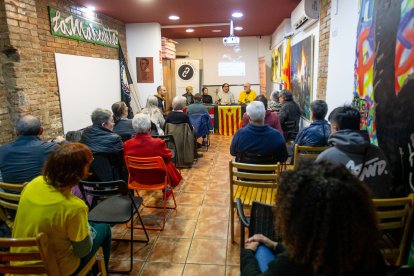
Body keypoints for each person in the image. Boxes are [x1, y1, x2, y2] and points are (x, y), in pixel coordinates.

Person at [241, 161, 386, 276]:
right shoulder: (371, 256)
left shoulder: (293, 264)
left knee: (259, 250)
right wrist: (274, 244)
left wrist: (247, 253)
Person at [12, 143, 112, 275]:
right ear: (79, 171)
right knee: (104, 229)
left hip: (19, 266)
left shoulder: (34, 183)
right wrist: (89, 233)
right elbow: (82, 251)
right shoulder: (75, 207)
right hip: (55, 270)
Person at [316, 106, 392, 198]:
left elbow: (316, 192)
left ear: (335, 129)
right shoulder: (378, 153)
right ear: (358, 126)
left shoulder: (326, 157)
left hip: (346, 211)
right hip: (380, 211)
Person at [0, 115, 64, 184]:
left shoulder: (2, 150)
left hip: (9, 193)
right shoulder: (51, 148)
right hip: (39, 193)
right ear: (41, 131)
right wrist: (63, 142)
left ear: (17, 132)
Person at [124, 113, 182, 189]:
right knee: (167, 163)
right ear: (149, 129)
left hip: (139, 180)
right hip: (159, 179)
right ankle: (167, 188)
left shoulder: (127, 144)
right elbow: (168, 156)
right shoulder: (158, 143)